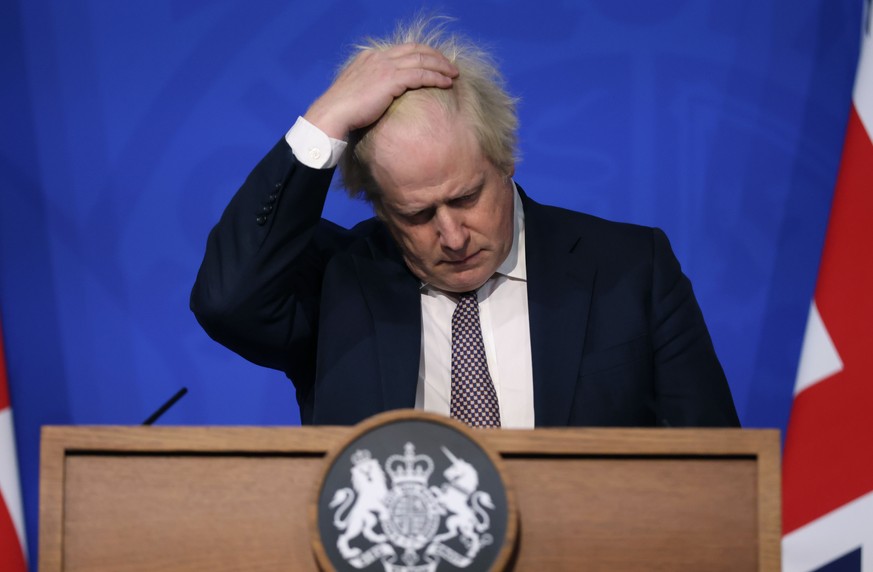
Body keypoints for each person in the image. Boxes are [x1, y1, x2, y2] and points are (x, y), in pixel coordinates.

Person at [190, 16, 740, 429]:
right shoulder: (339, 284)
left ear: (506, 162)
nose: (452, 237)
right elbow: (227, 299)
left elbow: (714, 473)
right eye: (418, 214)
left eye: (467, 197)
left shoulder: (630, 270)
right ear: (380, 206)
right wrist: (324, 120)